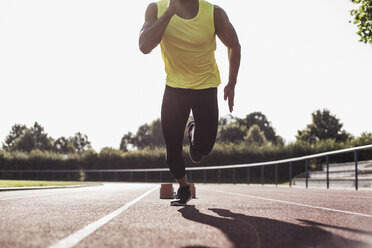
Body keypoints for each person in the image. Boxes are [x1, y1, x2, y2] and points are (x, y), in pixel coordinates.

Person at [139, 0, 241, 206]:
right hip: (175, 88)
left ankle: (193, 130)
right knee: (172, 148)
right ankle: (184, 188)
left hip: (205, 87)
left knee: (202, 149)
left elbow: (234, 45)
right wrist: (168, 14)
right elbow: (144, 46)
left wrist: (232, 82)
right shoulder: (156, 9)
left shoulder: (214, 13)